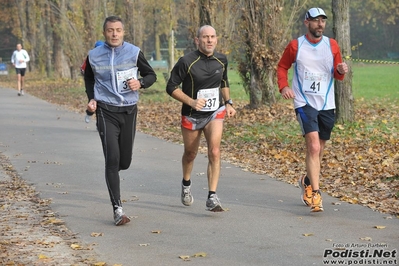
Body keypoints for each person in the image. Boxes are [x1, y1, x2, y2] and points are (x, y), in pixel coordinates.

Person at [84, 16, 157, 225]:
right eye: (110, 30)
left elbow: (151, 75)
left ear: (123, 32)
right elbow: (89, 77)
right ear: (104, 32)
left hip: (128, 111)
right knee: (112, 159)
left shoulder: (134, 52)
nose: (114, 34)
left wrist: (141, 83)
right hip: (106, 111)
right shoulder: (94, 55)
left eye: (118, 30)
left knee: (124, 161)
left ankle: (116, 177)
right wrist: (91, 98)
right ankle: (117, 209)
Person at [277, 7, 348, 212]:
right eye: (316, 20)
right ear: (307, 23)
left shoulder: (332, 45)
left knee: (320, 149)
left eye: (323, 21)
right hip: (304, 102)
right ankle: (315, 194)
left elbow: (338, 73)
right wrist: (284, 87)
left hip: (326, 103)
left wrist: (341, 70)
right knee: (314, 147)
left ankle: (306, 180)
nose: (320, 24)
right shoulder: (295, 45)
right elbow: (282, 67)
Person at [166, 25, 236, 212]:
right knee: (191, 154)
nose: (210, 40)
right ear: (197, 40)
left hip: (215, 112)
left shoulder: (221, 60)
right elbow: (171, 86)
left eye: (213, 36)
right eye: (205, 37)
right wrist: (191, 101)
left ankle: (212, 196)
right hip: (192, 115)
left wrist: (228, 102)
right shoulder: (186, 61)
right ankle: (186, 183)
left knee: (214, 151)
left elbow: (223, 81)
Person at [81, 40, 104, 123]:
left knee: (101, 104)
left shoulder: (107, 57)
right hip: (92, 83)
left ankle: (100, 122)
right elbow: (83, 68)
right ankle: (89, 113)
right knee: (93, 100)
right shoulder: (91, 57)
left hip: (102, 84)